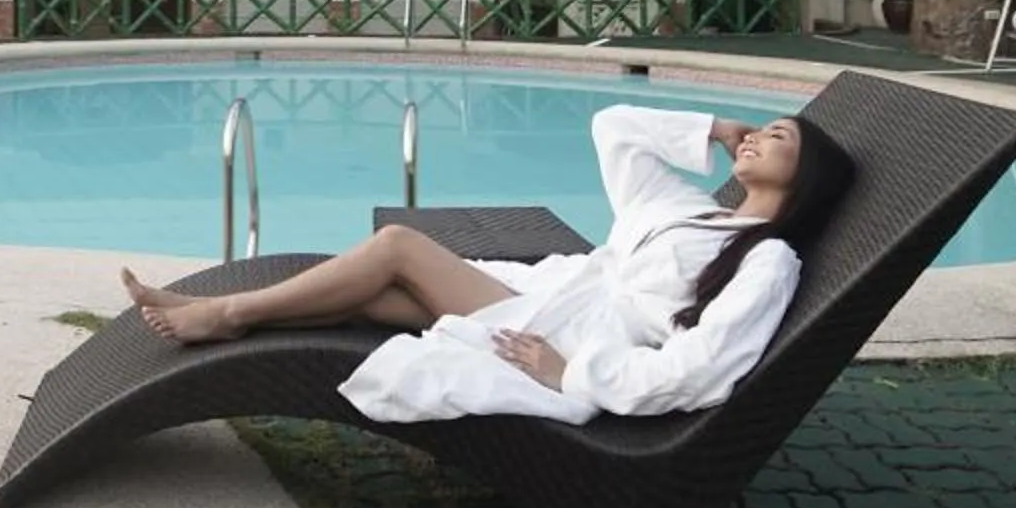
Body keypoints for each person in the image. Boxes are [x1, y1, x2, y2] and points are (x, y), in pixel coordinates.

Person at [120, 105, 857, 425]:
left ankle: (225, 313)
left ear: (807, 174)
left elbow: (700, 371)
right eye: (756, 129)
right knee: (373, 300)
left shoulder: (767, 262)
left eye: (777, 136)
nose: (756, 136)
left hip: (575, 331)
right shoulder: (692, 210)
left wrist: (571, 372)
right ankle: (216, 312)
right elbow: (615, 131)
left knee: (398, 249)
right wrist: (711, 131)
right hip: (548, 292)